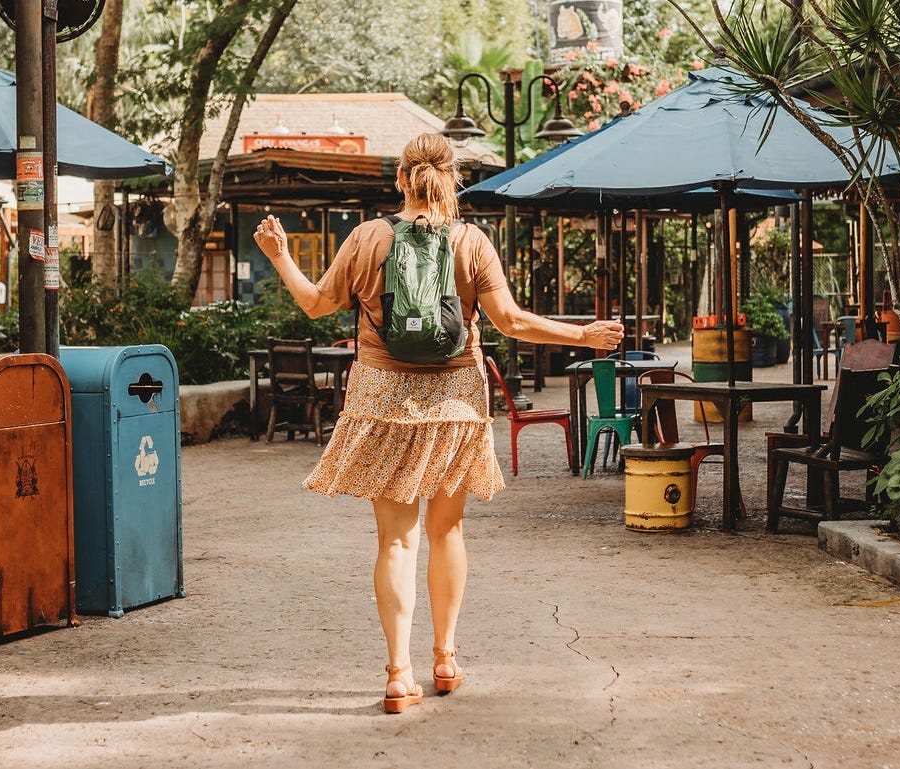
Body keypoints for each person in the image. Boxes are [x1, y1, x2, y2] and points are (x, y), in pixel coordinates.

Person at [253, 133, 624, 714]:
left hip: (382, 398)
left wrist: (279, 254)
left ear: (400, 180)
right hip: (456, 400)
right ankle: (446, 658)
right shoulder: (471, 241)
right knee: (446, 532)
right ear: (453, 181)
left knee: (395, 540)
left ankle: (399, 675)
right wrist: (584, 335)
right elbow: (512, 321)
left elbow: (316, 304)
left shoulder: (369, 236)